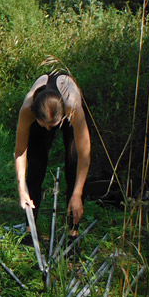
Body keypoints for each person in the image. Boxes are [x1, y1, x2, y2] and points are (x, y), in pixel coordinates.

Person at [14, 72, 91, 236]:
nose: (50, 130)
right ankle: (30, 229)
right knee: (35, 167)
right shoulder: (28, 109)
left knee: (73, 163)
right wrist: (21, 187)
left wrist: (77, 193)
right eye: (45, 125)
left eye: (53, 125)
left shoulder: (73, 108)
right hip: (43, 110)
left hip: (68, 113)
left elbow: (85, 155)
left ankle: (73, 231)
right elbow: (20, 151)